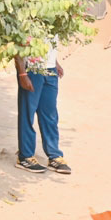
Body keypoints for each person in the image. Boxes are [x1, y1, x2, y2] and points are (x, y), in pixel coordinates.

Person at [12, 44, 69, 175]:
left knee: (50, 115)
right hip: (32, 69)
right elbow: (18, 45)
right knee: (28, 113)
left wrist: (55, 62)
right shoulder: (30, 23)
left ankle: (54, 155)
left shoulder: (55, 24)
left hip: (50, 70)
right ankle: (25, 156)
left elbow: (49, 44)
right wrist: (22, 73)